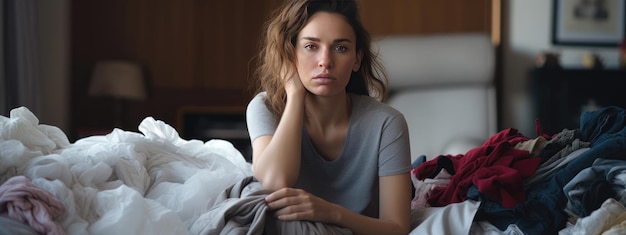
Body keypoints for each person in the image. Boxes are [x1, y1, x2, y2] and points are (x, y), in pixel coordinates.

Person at [246, 0, 412, 234]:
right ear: (291, 54)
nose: (325, 61)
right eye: (311, 47)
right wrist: (294, 95)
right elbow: (274, 181)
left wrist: (329, 212)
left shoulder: (387, 123)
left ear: (356, 59)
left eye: (340, 48)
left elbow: (397, 228)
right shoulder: (265, 107)